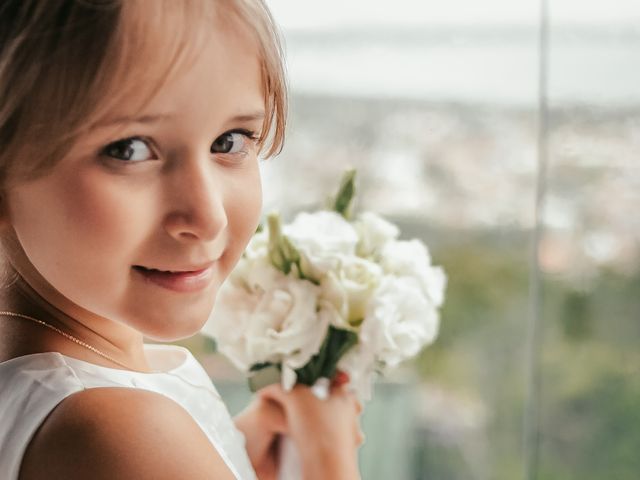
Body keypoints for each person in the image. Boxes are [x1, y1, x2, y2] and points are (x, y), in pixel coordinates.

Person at [0, 1, 363, 479]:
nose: (207, 216)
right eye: (129, 150)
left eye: (230, 141)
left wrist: (226, 457)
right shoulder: (118, 431)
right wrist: (328, 458)